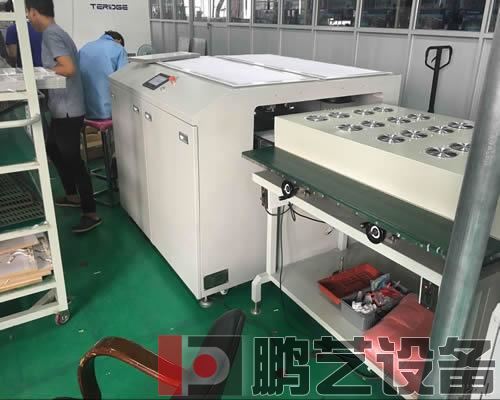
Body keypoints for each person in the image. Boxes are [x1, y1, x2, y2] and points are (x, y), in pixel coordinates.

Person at [26, 0, 102, 233]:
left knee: (73, 160)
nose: (28, 18)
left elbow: (68, 68)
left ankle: (90, 213)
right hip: (63, 107)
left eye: (28, 13)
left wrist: (39, 73)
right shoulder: (57, 32)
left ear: (34, 12)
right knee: (53, 147)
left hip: (69, 109)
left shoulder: (51, 34)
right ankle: (71, 195)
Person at [79, 31, 128, 120]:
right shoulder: (119, 48)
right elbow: (123, 78)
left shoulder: (85, 47)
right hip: (108, 112)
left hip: (84, 111)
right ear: (119, 41)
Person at [4, 0, 43, 68]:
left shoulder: (12, 29)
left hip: (28, 69)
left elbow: (13, 54)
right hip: (48, 68)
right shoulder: (41, 26)